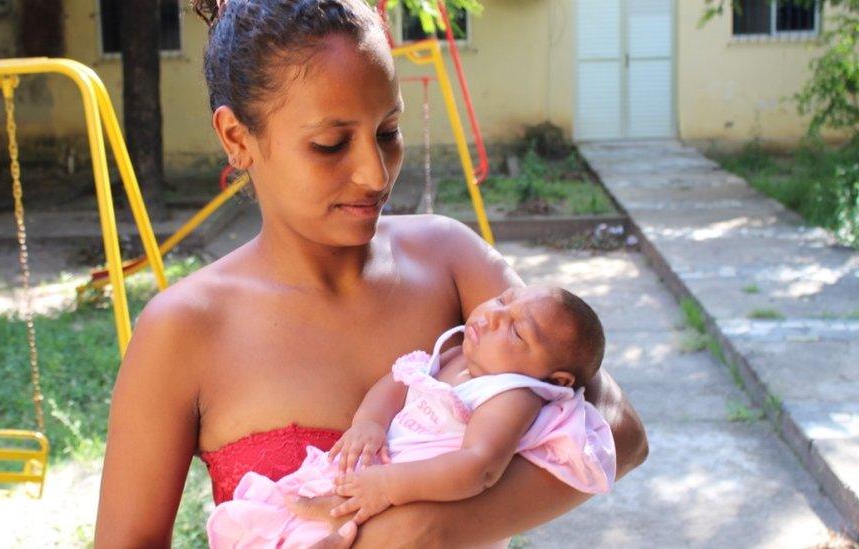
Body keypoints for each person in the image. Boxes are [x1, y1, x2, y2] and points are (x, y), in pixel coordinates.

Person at [93, 0, 648, 546]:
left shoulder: (449, 259)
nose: (374, 173)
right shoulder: (183, 329)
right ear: (238, 138)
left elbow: (619, 431)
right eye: (330, 144)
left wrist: (420, 530)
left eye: (388, 131)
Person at [206, 286, 616, 548]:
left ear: (555, 378)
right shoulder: (457, 354)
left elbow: (478, 468)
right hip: (381, 477)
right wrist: (368, 422)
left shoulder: (513, 395)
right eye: (503, 300)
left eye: (516, 331)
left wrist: (388, 486)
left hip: (417, 492)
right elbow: (398, 381)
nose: (490, 317)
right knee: (305, 523)